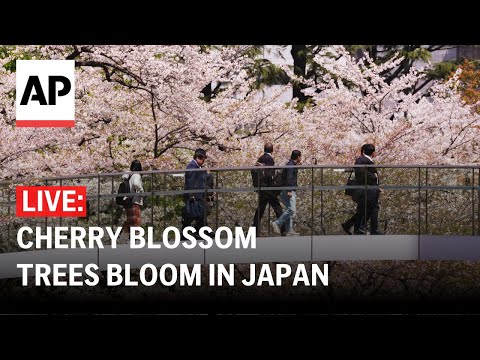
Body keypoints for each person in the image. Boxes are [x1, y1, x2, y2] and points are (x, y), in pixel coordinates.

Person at [343, 144, 382, 235]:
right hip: (366, 190)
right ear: (372, 152)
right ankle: (368, 229)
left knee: (364, 209)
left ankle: (353, 226)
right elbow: (361, 174)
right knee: (372, 208)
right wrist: (374, 177)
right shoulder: (361, 160)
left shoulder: (364, 160)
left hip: (369, 189)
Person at [252, 143, 284, 234]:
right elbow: (269, 173)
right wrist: (272, 183)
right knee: (277, 207)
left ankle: (254, 229)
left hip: (262, 187)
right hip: (268, 188)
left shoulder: (261, 158)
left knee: (260, 209)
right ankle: (283, 228)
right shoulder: (269, 159)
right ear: (272, 150)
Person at [271, 150, 301, 236]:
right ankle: (277, 223)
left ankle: (289, 230)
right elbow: (289, 178)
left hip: (285, 189)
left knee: (289, 209)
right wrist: (290, 190)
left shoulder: (290, 164)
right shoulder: (291, 166)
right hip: (288, 190)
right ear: (298, 157)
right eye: (300, 157)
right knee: (291, 209)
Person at [182, 148, 212, 235]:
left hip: (199, 194)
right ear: (199, 158)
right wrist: (192, 195)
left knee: (200, 213)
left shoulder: (197, 167)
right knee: (195, 213)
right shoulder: (192, 167)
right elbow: (191, 182)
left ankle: (199, 231)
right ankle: (194, 231)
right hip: (194, 195)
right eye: (203, 159)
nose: (204, 161)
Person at [121, 159, 144, 235]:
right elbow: (136, 183)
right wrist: (141, 190)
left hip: (127, 199)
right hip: (134, 200)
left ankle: (121, 234)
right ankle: (135, 237)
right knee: (135, 220)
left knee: (130, 219)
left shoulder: (129, 175)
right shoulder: (136, 175)